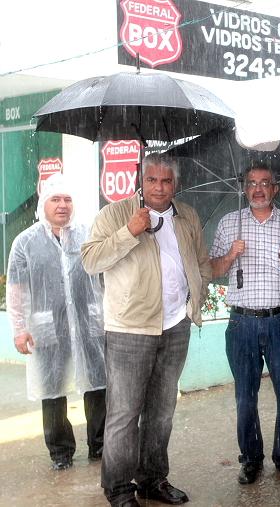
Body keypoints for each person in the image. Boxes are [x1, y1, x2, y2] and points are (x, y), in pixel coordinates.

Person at [82, 153, 212, 507]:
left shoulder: (187, 216)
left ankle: (152, 479)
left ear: (175, 184)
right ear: (141, 181)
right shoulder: (115, 214)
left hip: (175, 327)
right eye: (152, 180)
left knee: (161, 412)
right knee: (124, 414)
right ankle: (119, 488)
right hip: (130, 329)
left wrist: (196, 295)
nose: (159, 187)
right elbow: (91, 260)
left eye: (166, 181)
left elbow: (201, 262)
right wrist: (129, 232)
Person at [210, 164, 280, 485]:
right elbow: (213, 269)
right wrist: (230, 255)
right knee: (245, 396)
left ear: (275, 188)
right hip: (242, 323)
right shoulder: (229, 223)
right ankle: (251, 458)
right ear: (244, 188)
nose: (258, 189)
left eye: (265, 183)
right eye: (252, 183)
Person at [7, 174, 106, 471]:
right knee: (52, 389)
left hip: (88, 322)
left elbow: (104, 277)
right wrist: (19, 329)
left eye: (67, 199)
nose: (63, 205)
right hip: (48, 326)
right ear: (43, 204)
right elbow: (16, 289)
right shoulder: (25, 242)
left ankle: (100, 445)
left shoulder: (88, 235)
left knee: (98, 383)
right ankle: (61, 452)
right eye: (56, 199)